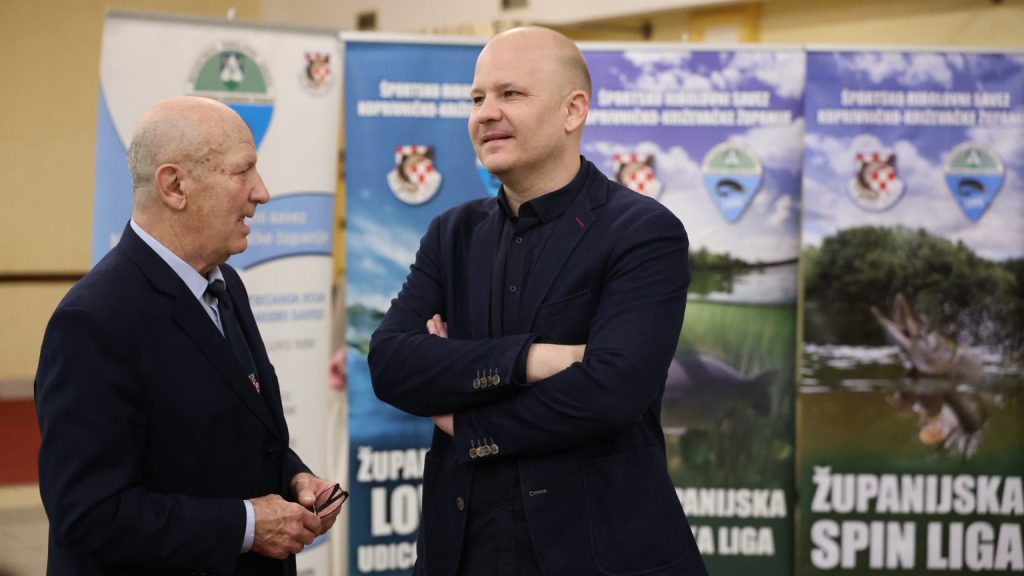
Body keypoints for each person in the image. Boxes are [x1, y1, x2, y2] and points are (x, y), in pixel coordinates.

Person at [368, 27, 708, 576]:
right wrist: (534, 359)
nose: (486, 113)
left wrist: (467, 421)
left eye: (511, 94)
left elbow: (611, 392)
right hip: (462, 555)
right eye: (477, 98)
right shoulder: (451, 234)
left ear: (573, 110)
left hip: (597, 557)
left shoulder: (643, 232)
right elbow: (391, 364)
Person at [35, 96, 342, 575]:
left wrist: (294, 477)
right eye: (243, 171)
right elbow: (89, 513)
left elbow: (229, 431)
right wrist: (246, 525)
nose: (262, 192)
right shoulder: (93, 321)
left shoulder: (224, 284)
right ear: (175, 186)